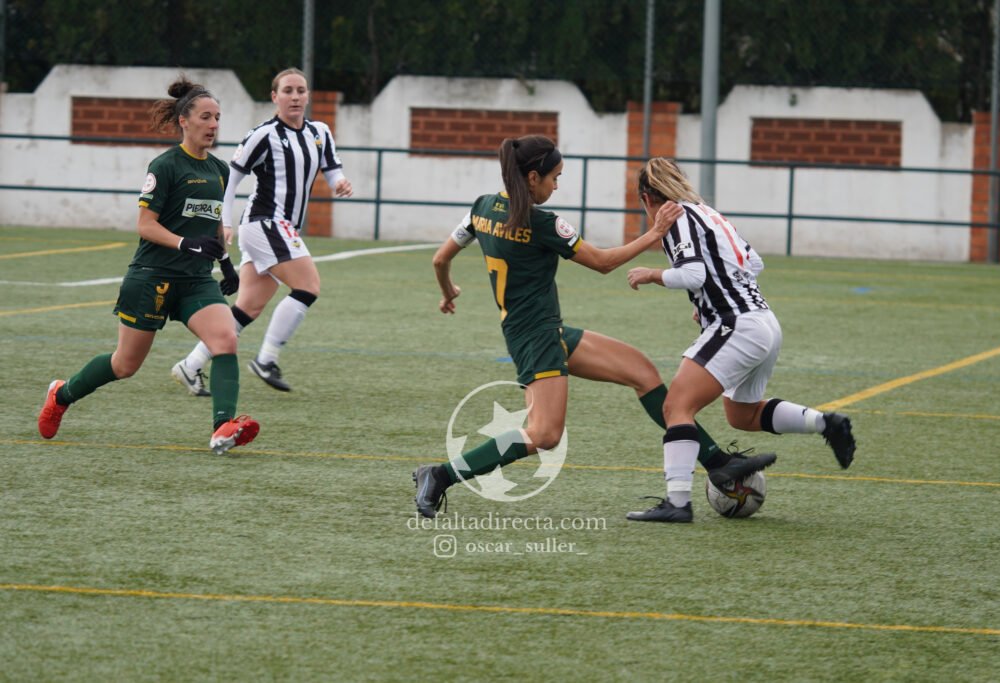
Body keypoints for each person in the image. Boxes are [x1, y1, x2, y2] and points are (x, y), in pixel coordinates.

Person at [413, 135, 776, 519]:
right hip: (537, 339)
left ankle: (717, 461)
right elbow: (602, 263)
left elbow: (440, 259)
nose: (556, 185)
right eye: (555, 177)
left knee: (643, 373)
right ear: (533, 177)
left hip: (547, 331)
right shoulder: (543, 223)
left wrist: (447, 290)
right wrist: (653, 235)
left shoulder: (482, 207)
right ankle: (439, 475)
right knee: (544, 435)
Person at [37, 75, 259, 456]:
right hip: (151, 277)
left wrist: (226, 263)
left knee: (226, 340)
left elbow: (211, 226)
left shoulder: (219, 170)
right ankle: (62, 394)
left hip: (195, 280)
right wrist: (185, 243)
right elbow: (145, 225)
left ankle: (223, 426)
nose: (213, 125)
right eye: (205, 117)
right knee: (125, 365)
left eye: (218, 117)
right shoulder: (166, 165)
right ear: (184, 121)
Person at [625, 157, 857, 522]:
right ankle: (826, 424)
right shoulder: (709, 213)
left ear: (645, 198)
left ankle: (678, 503)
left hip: (737, 325)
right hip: (764, 321)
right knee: (742, 414)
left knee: (675, 408)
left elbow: (694, 274)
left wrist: (652, 274)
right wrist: (712, 300)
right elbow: (754, 263)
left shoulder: (676, 218)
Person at [171, 67, 353, 395]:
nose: (295, 97)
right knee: (308, 286)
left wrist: (339, 182)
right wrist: (223, 222)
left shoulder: (320, 132)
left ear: (308, 95)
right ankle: (267, 359)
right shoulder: (264, 134)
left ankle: (191, 365)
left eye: (301, 90)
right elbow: (230, 179)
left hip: (280, 228)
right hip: (265, 222)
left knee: (248, 307)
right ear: (275, 97)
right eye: (287, 91)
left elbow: (331, 167)